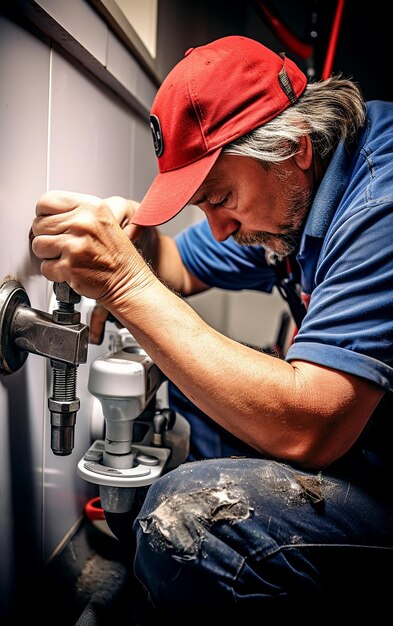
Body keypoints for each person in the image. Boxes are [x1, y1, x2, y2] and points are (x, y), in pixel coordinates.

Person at [31, 35, 393, 620]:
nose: (220, 229)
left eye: (221, 197)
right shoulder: (295, 184)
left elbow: (312, 428)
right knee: (204, 392)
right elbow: (180, 267)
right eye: (203, 206)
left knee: (191, 524)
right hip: (364, 440)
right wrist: (143, 244)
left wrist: (126, 282)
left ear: (293, 148)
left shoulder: (381, 201)